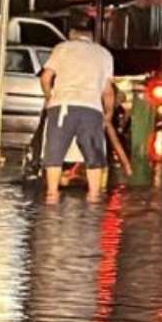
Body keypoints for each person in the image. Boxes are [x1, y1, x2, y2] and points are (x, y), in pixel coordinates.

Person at [38, 26, 115, 203]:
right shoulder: (104, 54)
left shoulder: (62, 48)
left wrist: (50, 96)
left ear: (72, 36)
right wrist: (108, 113)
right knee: (93, 156)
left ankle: (52, 194)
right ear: (91, 37)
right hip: (92, 108)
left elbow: (45, 77)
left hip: (62, 105)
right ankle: (94, 195)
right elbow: (108, 91)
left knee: (54, 154)